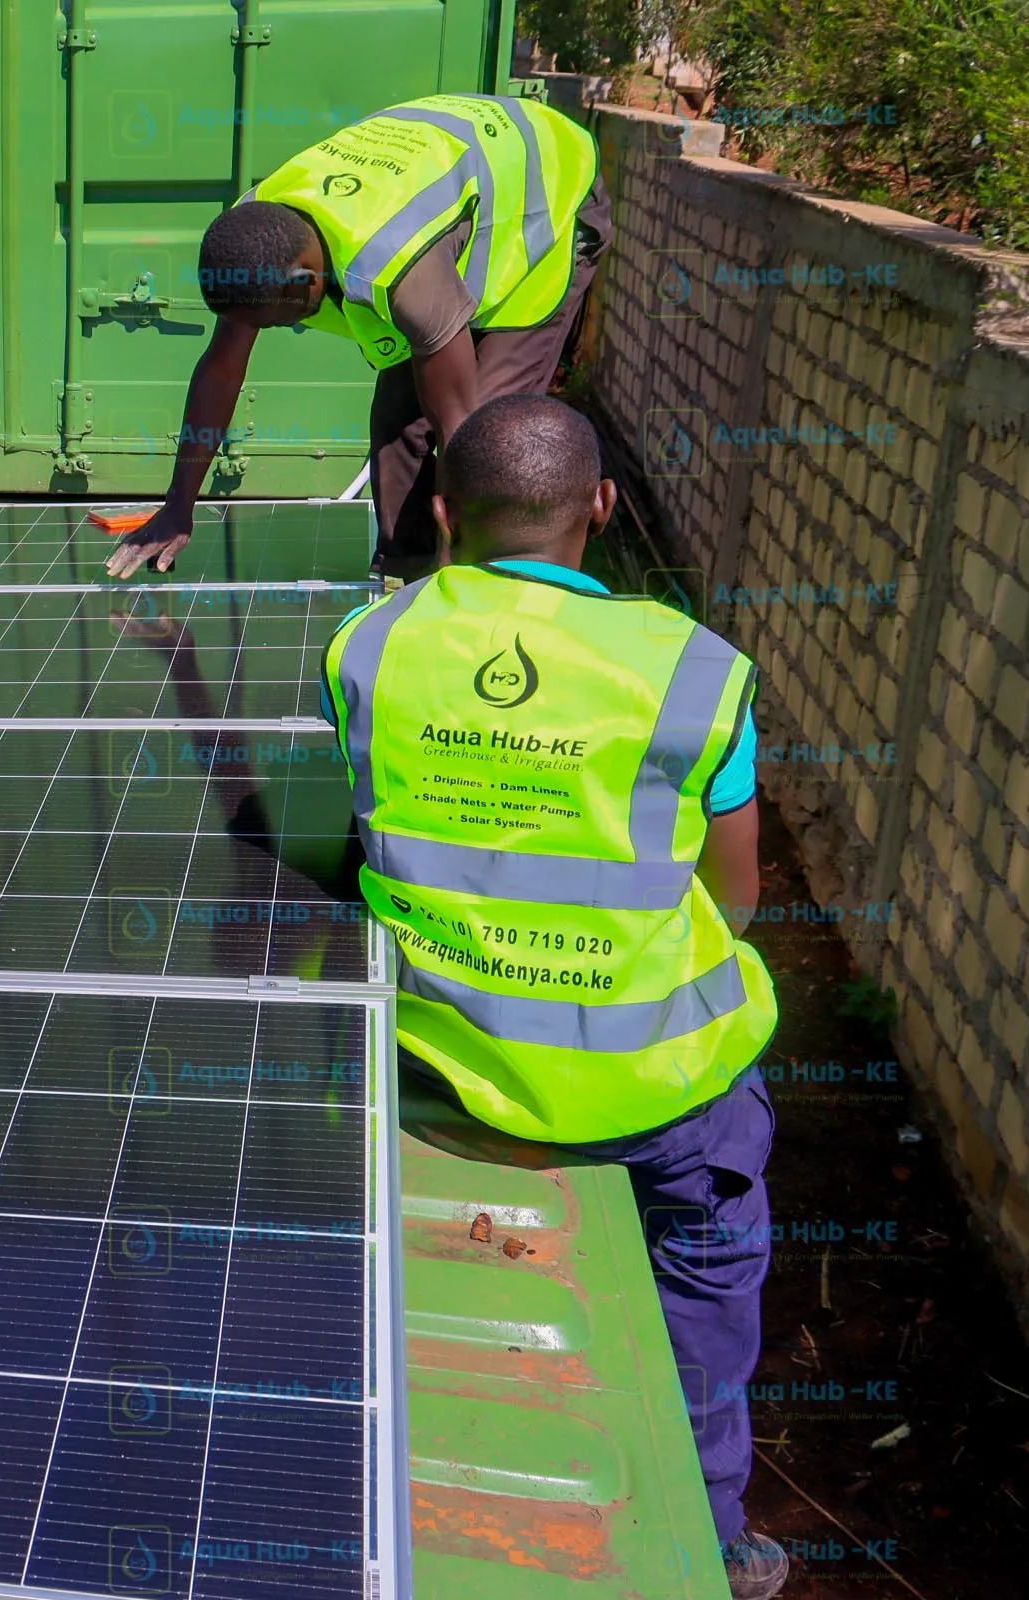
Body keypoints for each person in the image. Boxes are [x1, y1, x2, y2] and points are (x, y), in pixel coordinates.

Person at [321, 394, 787, 1600]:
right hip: (661, 1095)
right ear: (604, 505)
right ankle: (711, 1538)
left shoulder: (369, 647)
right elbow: (736, 899)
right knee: (703, 1284)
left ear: (441, 512)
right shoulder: (694, 672)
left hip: (450, 1076)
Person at [104, 93, 610, 584]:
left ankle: (491, 582)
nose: (283, 329)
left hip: (545, 193)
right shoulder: (254, 234)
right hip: (453, 173)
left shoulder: (398, 268)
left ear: (304, 282)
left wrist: (453, 573)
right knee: (397, 424)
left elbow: (460, 431)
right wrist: (178, 506)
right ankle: (401, 577)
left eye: (277, 321)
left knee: (493, 432)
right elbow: (221, 370)